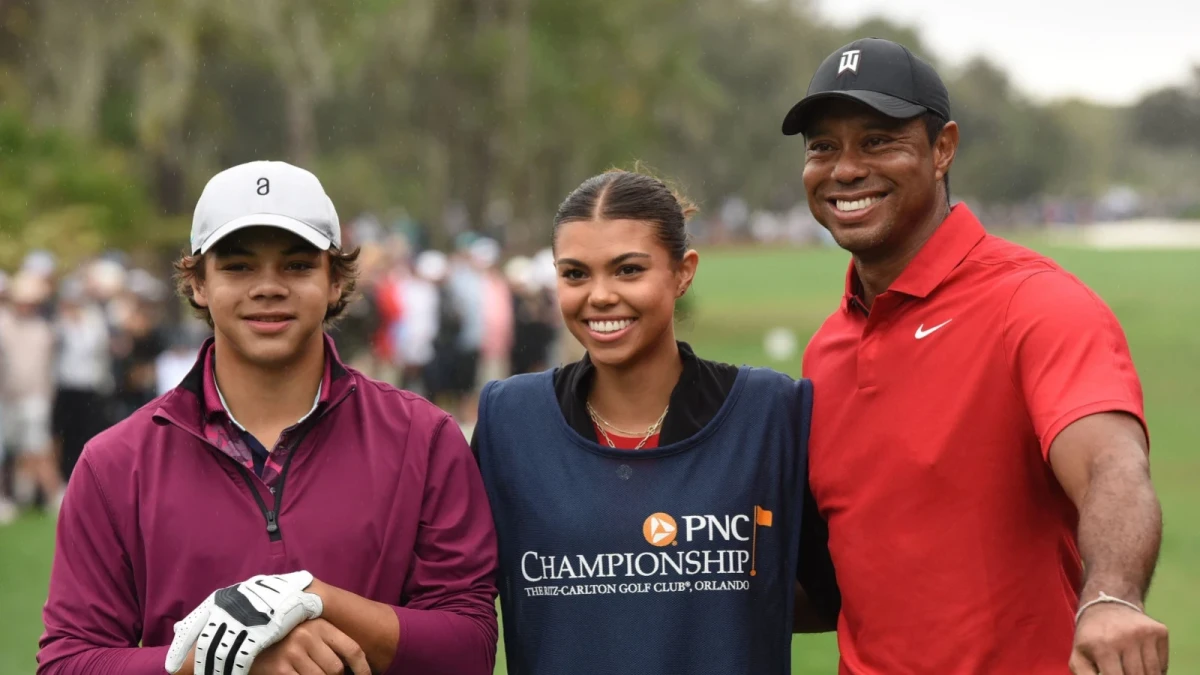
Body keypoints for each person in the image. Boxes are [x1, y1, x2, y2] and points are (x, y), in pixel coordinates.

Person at [782, 38, 1169, 675]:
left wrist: (1110, 597)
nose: (845, 169)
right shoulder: (828, 349)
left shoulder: (1036, 304)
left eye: (878, 141)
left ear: (942, 149)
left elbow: (1111, 464)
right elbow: (845, 584)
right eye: (823, 147)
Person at [37, 160, 499, 675]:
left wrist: (315, 598)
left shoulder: (425, 437)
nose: (268, 286)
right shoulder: (114, 464)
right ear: (198, 284)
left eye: (297, 265)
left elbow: (469, 649)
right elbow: (68, 662)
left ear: (335, 281)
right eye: (238, 266)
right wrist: (225, 659)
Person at [471, 169, 839, 675]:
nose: (599, 295)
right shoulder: (509, 421)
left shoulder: (770, 412)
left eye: (627, 270)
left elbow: (834, 595)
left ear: (683, 271)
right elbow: (453, 606)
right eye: (575, 274)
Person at [0, 272, 64, 514]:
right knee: (10, 449)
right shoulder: (4, 324)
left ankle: (53, 493)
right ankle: (12, 497)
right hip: (7, 396)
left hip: (36, 396)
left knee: (38, 446)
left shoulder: (43, 329)